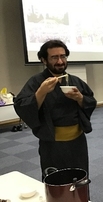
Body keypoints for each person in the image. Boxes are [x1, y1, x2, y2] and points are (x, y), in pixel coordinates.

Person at [14, 39, 97, 179]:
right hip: (52, 144)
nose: (60, 61)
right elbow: (21, 106)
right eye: (54, 57)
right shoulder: (36, 81)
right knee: (55, 182)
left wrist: (80, 98)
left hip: (77, 143)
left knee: (80, 180)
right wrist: (41, 92)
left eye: (63, 56)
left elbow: (91, 101)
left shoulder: (75, 81)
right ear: (44, 60)